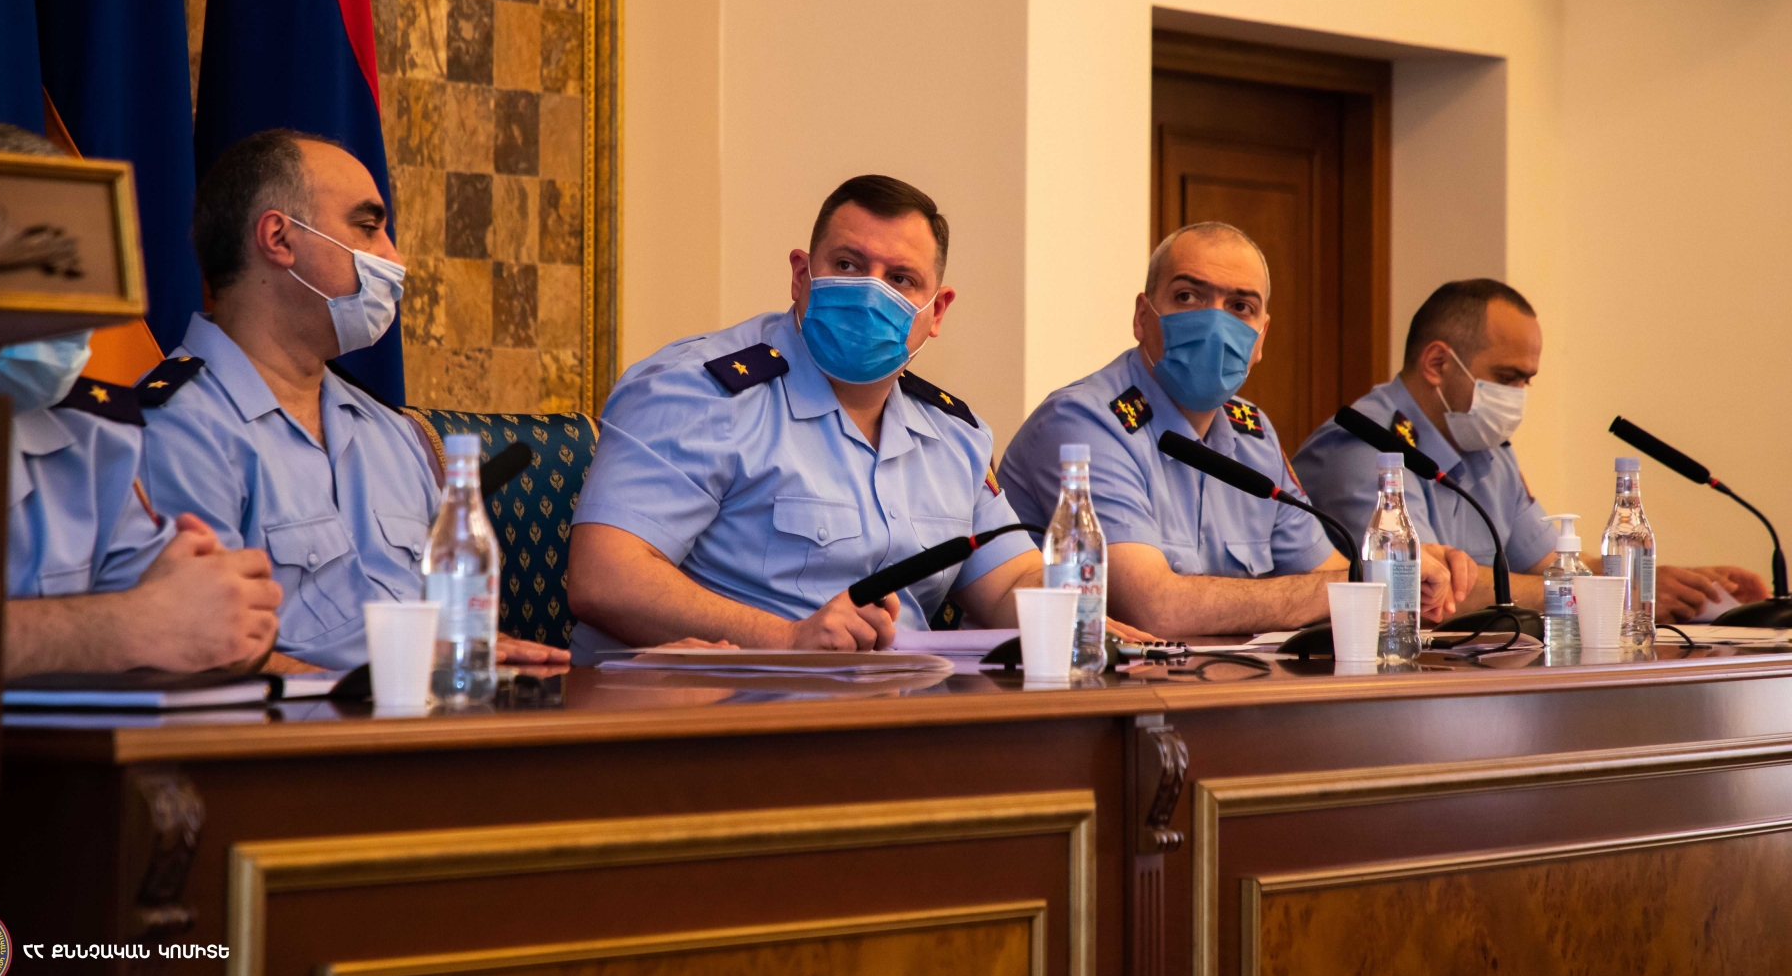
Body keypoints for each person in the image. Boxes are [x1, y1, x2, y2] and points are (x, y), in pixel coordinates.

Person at [568, 175, 1066, 660]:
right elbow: (605, 579)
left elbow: (1013, 583)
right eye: (848, 265)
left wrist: (1082, 619)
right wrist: (788, 640)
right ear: (801, 276)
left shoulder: (956, 434)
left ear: (936, 312)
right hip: (731, 701)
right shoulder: (698, 391)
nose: (870, 294)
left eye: (900, 280)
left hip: (900, 703)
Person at [139, 128, 569, 670]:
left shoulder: (390, 433)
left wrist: (480, 653)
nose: (394, 257)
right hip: (297, 720)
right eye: (368, 228)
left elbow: (442, 623)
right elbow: (199, 652)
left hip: (425, 712)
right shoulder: (176, 426)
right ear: (279, 238)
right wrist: (390, 680)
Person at [0, 120, 282, 679]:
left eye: (84, 274)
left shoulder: (94, 438)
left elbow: (195, 624)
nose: (77, 308)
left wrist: (225, 608)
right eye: (41, 269)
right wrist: (119, 627)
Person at [999, 222, 1471, 637]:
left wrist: (1400, 572)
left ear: (1260, 337)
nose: (1215, 323)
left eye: (1240, 306)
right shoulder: (1083, 422)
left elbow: (1326, 571)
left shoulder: (1254, 434)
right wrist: (1362, 582)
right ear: (1142, 317)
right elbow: (1155, 607)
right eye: (1188, 297)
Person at [1294, 278, 1767, 623]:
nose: (1518, 395)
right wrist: (1610, 594)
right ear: (1437, 363)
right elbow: (1427, 589)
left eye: (1527, 380)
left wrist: (1666, 582)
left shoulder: (1487, 447)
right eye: (1506, 378)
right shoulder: (1364, 446)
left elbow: (1547, 563)